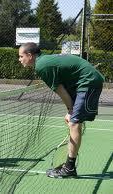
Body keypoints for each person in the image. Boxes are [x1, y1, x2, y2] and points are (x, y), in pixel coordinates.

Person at [18, 42, 104, 178]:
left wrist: (70, 110)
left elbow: (61, 91)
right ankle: (69, 166)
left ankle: (69, 168)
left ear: (30, 55)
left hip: (88, 82)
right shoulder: (44, 60)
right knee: (74, 122)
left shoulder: (42, 66)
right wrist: (70, 110)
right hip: (84, 82)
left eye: (21, 56)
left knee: (74, 123)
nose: (20, 59)